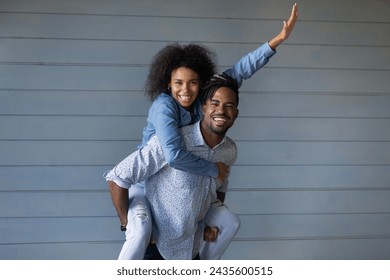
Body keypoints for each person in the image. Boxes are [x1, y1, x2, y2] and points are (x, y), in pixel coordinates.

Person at [106, 3, 299, 260]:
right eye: (178, 84)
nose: (185, 90)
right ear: (167, 83)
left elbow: (238, 72)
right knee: (140, 231)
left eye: (193, 83)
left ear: (201, 84)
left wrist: (276, 41)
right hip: (147, 181)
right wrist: (213, 169)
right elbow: (173, 155)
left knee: (228, 223)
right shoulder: (164, 107)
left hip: (189, 190)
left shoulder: (203, 104)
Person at [105, 74, 240, 259]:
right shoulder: (173, 143)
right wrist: (127, 224)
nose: (221, 110)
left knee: (232, 222)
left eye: (229, 106)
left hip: (192, 251)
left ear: (236, 113)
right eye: (215, 103)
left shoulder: (229, 150)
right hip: (157, 249)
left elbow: (220, 187)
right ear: (203, 108)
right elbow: (117, 177)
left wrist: (209, 225)